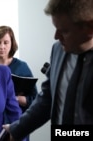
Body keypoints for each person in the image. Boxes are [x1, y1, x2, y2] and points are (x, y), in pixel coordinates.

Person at [6, 0, 93, 140]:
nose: (56, 36)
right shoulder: (58, 49)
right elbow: (48, 98)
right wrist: (16, 129)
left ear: (89, 27)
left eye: (64, 31)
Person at [0, 25, 38, 141]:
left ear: (12, 44)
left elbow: (35, 99)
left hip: (17, 123)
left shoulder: (22, 67)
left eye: (6, 42)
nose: (2, 46)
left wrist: (16, 99)